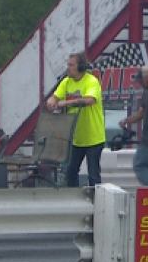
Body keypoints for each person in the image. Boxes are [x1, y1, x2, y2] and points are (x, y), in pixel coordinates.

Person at [44, 52, 105, 187]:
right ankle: (74, 200)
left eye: (71, 65)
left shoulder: (91, 81)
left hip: (93, 137)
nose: (68, 68)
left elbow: (90, 100)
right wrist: (51, 101)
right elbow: (55, 96)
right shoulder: (66, 81)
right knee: (71, 172)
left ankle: (97, 201)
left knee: (93, 173)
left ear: (81, 67)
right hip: (76, 137)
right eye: (68, 64)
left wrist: (66, 103)